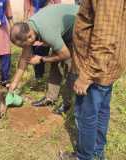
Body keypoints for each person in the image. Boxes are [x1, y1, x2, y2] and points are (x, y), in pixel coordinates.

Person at [60, 0, 126, 160]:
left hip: (95, 66)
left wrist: (87, 75)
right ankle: (96, 152)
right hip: (105, 64)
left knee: (86, 114)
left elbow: (105, 36)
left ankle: (84, 156)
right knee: (101, 109)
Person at [9, 4, 79, 114]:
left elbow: (66, 54)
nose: (24, 48)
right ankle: (50, 98)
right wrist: (14, 83)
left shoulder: (46, 31)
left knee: (70, 67)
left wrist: (42, 59)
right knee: (55, 62)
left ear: (30, 36)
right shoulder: (28, 28)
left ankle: (68, 103)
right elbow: (24, 59)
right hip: (60, 30)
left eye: (24, 45)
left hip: (78, 27)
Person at [23, 0, 61, 90]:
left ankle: (44, 77)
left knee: (43, 50)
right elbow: (26, 4)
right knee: (35, 50)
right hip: (33, 21)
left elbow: (57, 4)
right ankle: (38, 77)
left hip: (48, 21)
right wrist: (25, 20)